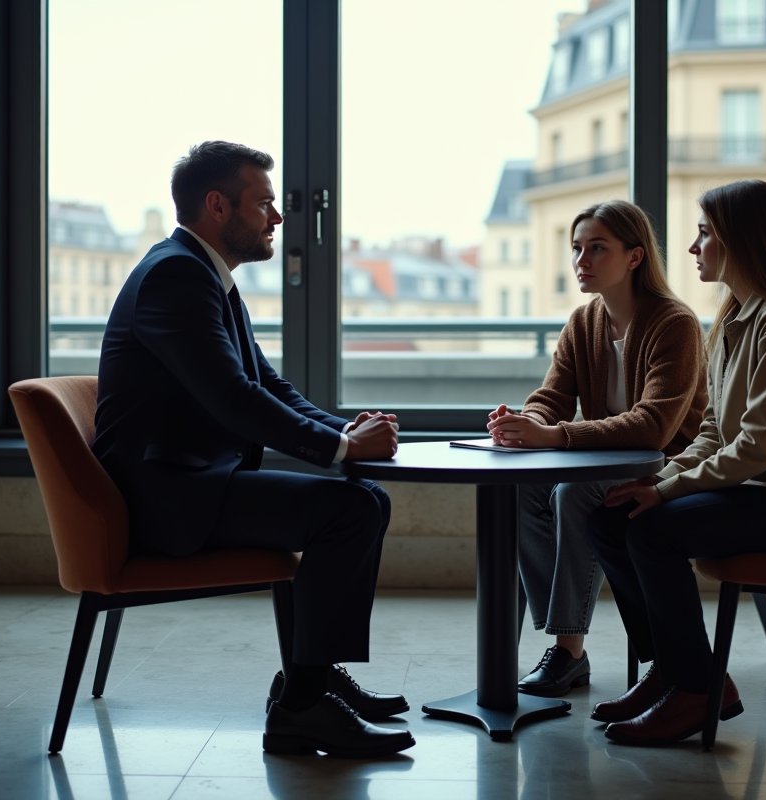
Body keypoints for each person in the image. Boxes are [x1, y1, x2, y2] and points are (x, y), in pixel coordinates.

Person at [92, 141, 413, 758]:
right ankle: (302, 706)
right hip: (168, 499)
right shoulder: (176, 274)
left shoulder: (204, 273)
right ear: (217, 205)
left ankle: (311, 680)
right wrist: (343, 449)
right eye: (264, 201)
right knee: (354, 508)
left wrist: (347, 433)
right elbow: (232, 398)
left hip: (192, 483)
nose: (278, 216)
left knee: (359, 497)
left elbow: (269, 385)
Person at [587, 179, 766, 746]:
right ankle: (672, 667)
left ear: (742, 241)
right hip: (761, 491)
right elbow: (714, 430)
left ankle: (697, 689)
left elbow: (760, 446)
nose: (691, 248)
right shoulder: (736, 319)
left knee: (654, 531)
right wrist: (656, 478)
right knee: (610, 516)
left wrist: (665, 493)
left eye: (704, 234)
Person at [486, 200, 709, 697]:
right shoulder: (583, 322)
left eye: (597, 248)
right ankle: (561, 630)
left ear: (634, 257)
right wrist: (527, 423)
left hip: (665, 464)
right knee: (521, 489)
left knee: (572, 494)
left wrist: (556, 436)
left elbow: (654, 426)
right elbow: (552, 397)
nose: (581, 260)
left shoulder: (675, 323)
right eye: (576, 248)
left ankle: (567, 650)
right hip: (599, 459)